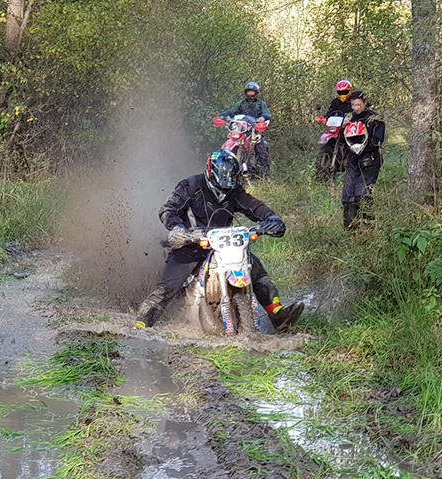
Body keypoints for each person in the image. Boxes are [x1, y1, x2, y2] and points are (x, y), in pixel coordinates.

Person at [133, 149, 304, 332]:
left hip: (225, 245)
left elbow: (255, 207)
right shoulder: (191, 186)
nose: (225, 189)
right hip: (191, 244)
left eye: (230, 183)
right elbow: (168, 209)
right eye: (222, 183)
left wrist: (272, 219)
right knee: (169, 285)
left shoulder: (233, 190)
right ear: (211, 172)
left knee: (255, 269)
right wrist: (178, 229)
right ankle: (142, 321)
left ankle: (278, 316)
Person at [340, 91, 385, 229]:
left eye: (358, 105)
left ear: (365, 102)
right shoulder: (350, 119)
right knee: (347, 196)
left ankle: (368, 227)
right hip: (353, 162)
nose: (355, 108)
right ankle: (350, 229)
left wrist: (361, 142)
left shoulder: (376, 119)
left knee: (362, 194)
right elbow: (343, 142)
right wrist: (343, 128)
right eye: (353, 105)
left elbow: (378, 142)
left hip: (370, 162)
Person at [218, 81, 272, 177]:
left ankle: (264, 175)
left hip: (254, 130)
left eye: (252, 92)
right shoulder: (241, 103)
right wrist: (224, 115)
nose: (250, 93)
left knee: (261, 147)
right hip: (240, 129)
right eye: (249, 91)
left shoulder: (261, 104)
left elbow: (267, 114)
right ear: (246, 92)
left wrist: (262, 118)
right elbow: (232, 111)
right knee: (231, 141)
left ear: (256, 92)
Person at [314, 80, 355, 180]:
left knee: (354, 143)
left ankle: (353, 165)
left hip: (349, 128)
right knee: (326, 142)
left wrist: (352, 118)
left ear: (349, 91)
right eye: (340, 93)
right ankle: (320, 174)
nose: (342, 95)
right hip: (336, 128)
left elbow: (359, 111)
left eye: (345, 92)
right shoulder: (335, 102)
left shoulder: (354, 101)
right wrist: (324, 117)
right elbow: (331, 112)